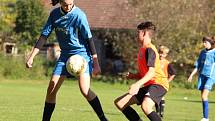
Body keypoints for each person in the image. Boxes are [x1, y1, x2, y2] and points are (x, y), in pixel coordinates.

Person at [26, 0, 108, 121]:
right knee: (51, 90)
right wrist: (32, 56)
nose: (68, 7)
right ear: (59, 2)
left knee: (85, 90)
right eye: (65, 4)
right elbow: (44, 36)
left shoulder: (79, 15)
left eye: (71, 4)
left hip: (82, 55)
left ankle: (103, 119)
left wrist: (96, 63)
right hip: (65, 56)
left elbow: (89, 39)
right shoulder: (54, 14)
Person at [114, 21, 169, 121]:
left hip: (159, 84)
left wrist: (137, 85)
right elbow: (145, 73)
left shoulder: (149, 49)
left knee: (146, 106)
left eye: (138, 33)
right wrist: (133, 75)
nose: (136, 35)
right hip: (149, 85)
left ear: (144, 33)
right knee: (120, 102)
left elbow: (151, 72)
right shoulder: (142, 49)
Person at [188, 36, 215, 121]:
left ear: (211, 43)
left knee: (204, 96)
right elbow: (198, 65)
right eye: (203, 42)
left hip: (210, 77)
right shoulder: (202, 52)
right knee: (203, 97)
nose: (204, 44)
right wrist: (191, 75)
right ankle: (205, 117)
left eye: (205, 42)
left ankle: (206, 118)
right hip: (202, 76)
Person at [156, 45, 176, 118]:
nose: (161, 55)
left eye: (163, 53)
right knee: (157, 97)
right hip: (155, 82)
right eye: (160, 53)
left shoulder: (167, 63)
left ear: (166, 55)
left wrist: (167, 81)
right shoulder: (155, 61)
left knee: (161, 97)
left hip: (163, 83)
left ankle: (161, 112)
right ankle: (158, 112)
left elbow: (173, 73)